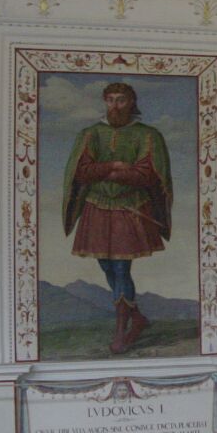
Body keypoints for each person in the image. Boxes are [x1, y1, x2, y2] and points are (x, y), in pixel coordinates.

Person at [63, 83, 173, 355]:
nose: (115, 105)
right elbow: (82, 172)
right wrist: (114, 166)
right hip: (97, 206)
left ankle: (122, 333)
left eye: (121, 100)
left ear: (131, 102)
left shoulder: (148, 135)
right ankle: (137, 318)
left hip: (130, 207)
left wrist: (103, 172)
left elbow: (146, 174)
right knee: (107, 266)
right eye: (110, 100)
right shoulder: (90, 134)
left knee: (122, 269)